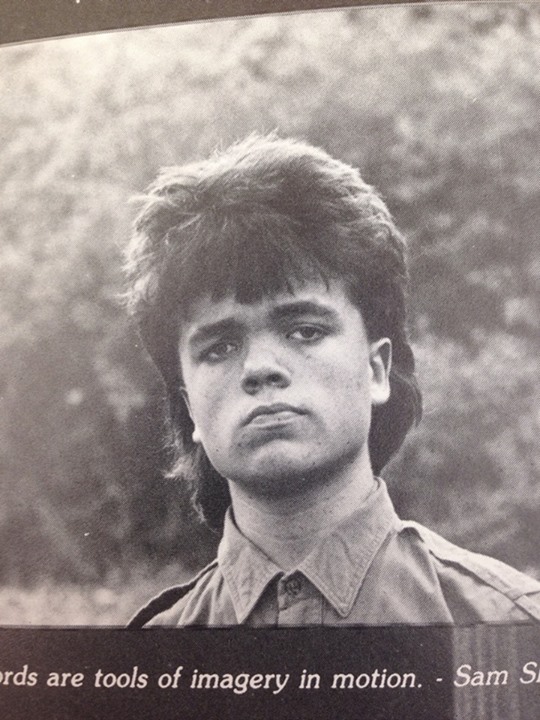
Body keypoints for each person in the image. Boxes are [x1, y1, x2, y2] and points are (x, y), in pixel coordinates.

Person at [124, 134, 540, 627]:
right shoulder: (147, 659)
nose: (260, 368)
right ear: (190, 407)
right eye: (220, 347)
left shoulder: (510, 627)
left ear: (376, 369)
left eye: (304, 330)